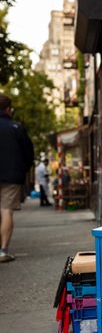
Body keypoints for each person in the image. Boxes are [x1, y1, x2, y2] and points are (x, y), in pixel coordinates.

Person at [0, 93, 34, 262]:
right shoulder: (16, 128)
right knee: (6, 210)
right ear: (8, 109)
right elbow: (28, 153)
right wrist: (24, 169)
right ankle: (3, 250)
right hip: (11, 176)